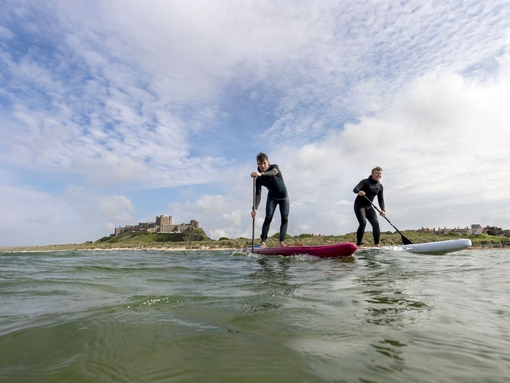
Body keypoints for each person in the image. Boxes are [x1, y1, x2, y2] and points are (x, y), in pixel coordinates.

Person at [250, 153, 289, 248]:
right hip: (272, 197)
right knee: (268, 217)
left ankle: (281, 243)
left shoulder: (274, 167)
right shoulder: (258, 179)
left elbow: (272, 173)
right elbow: (258, 194)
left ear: (268, 162)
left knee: (284, 218)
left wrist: (260, 173)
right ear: (257, 164)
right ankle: (263, 242)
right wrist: (254, 208)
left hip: (283, 197)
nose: (263, 166)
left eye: (264, 163)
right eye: (260, 164)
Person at [353, 166, 386, 248]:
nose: (379, 175)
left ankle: (377, 244)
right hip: (359, 205)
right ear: (372, 174)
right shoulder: (365, 182)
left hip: (368, 206)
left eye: (380, 173)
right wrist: (359, 191)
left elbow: (381, 199)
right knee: (363, 222)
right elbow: (355, 189)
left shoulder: (380, 186)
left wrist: (383, 210)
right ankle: (359, 244)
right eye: (377, 173)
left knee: (376, 224)